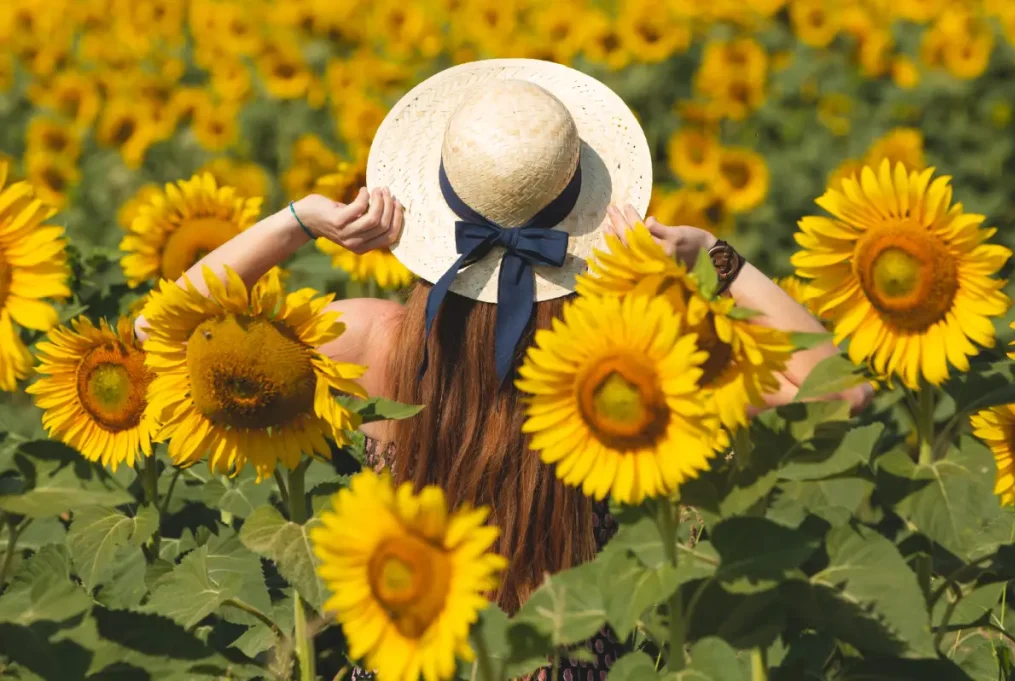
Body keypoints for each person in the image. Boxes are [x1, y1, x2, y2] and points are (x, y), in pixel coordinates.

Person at [136, 60, 872, 680]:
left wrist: (296, 221)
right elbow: (839, 388)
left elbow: (161, 333)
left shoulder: (372, 341)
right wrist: (709, 252)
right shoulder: (627, 377)